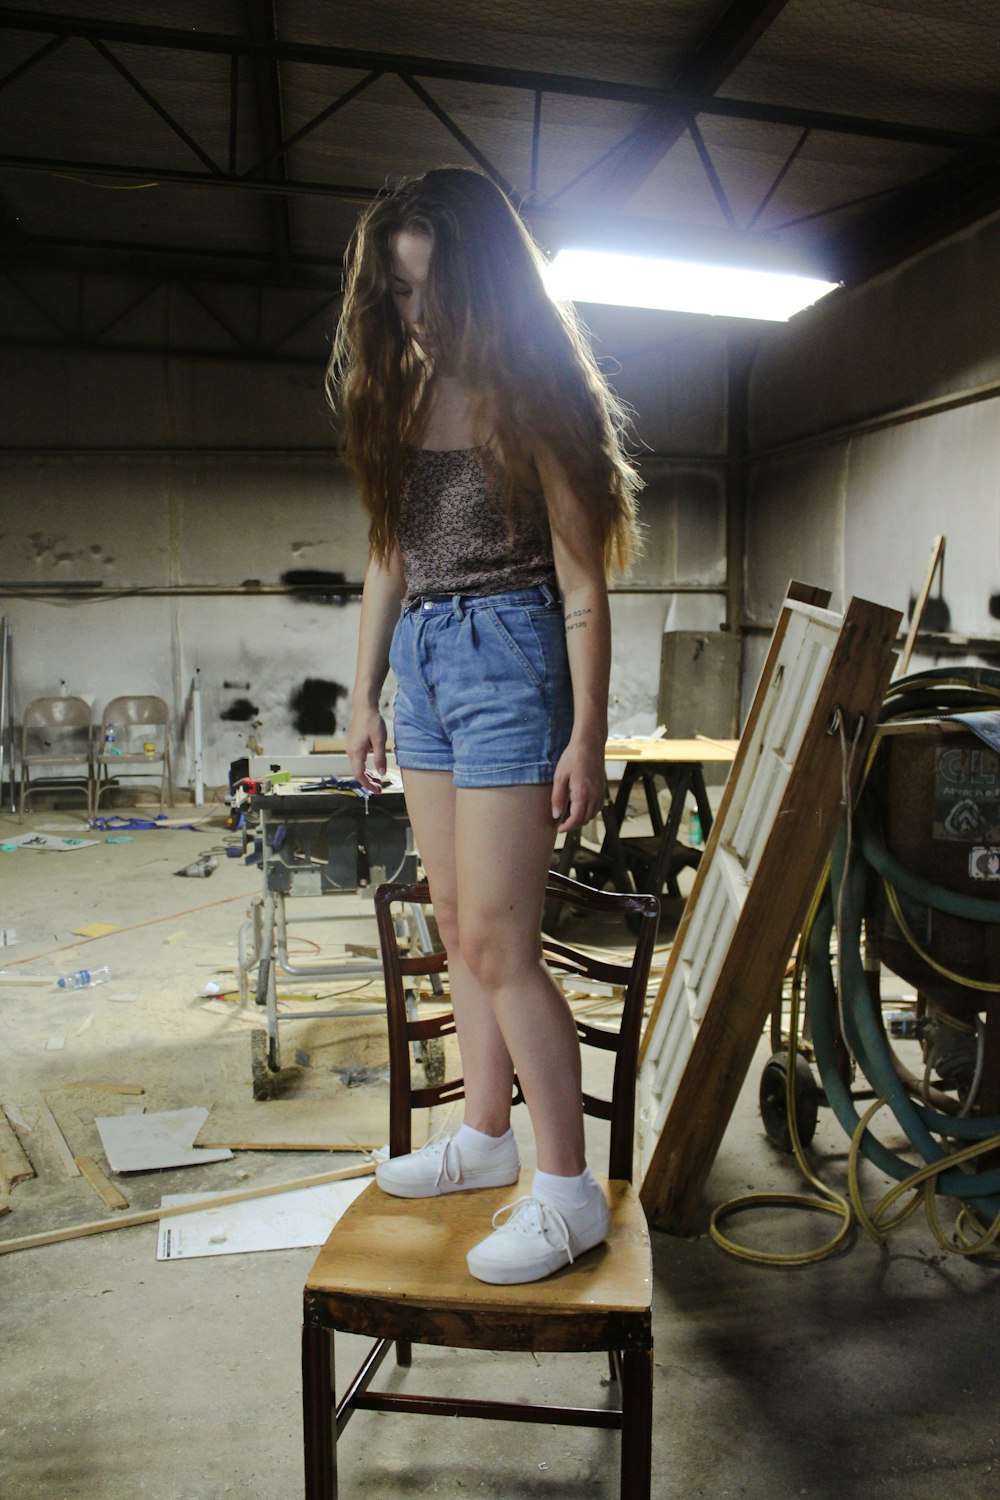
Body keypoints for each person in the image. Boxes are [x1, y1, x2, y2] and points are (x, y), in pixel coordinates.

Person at [329, 166, 640, 1285]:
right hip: (423, 660)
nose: (418, 320)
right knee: (455, 925)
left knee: (506, 944)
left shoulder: (534, 401)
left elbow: (583, 588)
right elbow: (386, 558)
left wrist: (587, 732)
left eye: (434, 295)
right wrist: (361, 694)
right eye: (402, 296)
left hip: (511, 660)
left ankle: (567, 1192)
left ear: (490, 290)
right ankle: (483, 1138)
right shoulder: (403, 400)